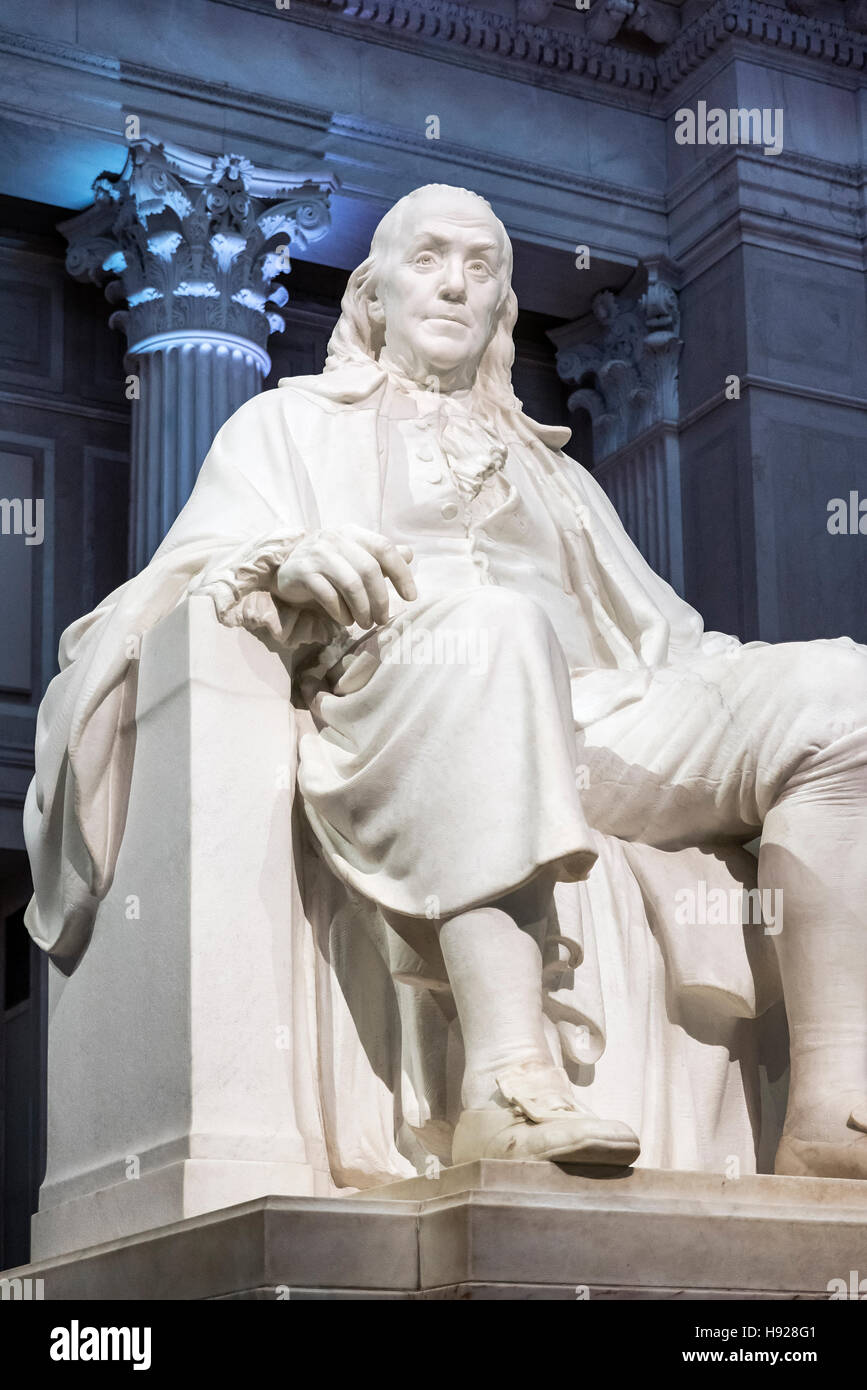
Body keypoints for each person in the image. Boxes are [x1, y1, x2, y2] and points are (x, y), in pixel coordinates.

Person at [24, 184, 867, 1177]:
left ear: (503, 308)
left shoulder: (559, 476)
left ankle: (835, 1101)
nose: (457, 285)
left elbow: (661, 635)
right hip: (399, 688)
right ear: (373, 295)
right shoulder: (286, 428)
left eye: (482, 268)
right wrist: (280, 563)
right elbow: (177, 586)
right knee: (493, 633)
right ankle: (506, 1081)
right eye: (429, 259)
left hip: (602, 712)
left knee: (842, 694)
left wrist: (754, 695)